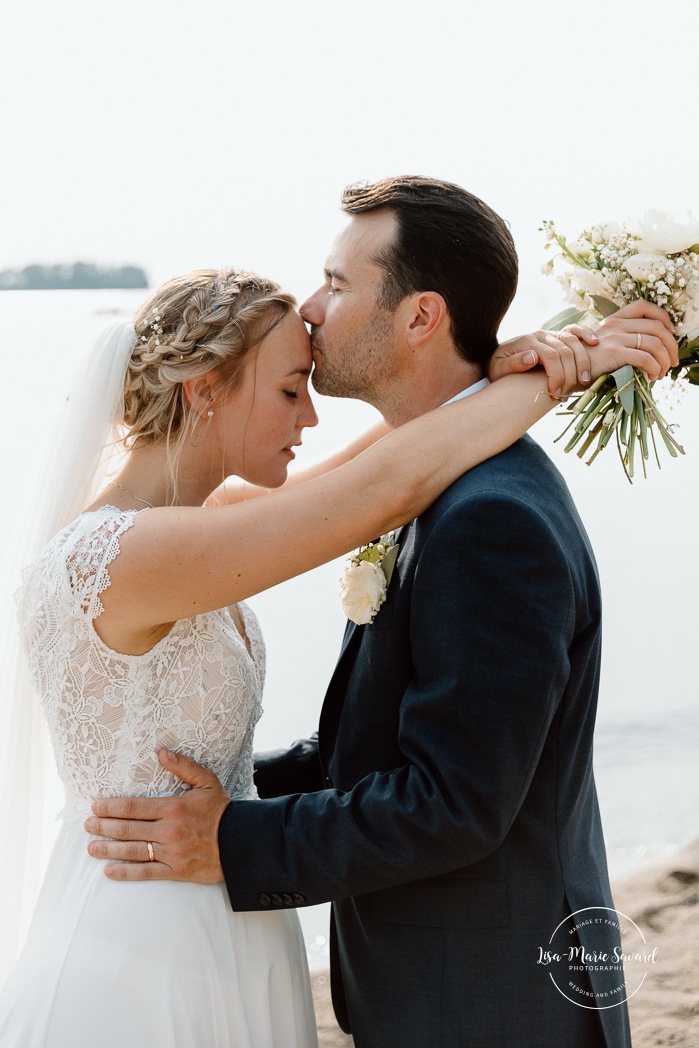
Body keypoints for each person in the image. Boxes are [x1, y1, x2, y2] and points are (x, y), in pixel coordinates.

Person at [80, 178, 679, 1048]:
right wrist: (207, 789)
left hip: (491, 1004)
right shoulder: (433, 485)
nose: (313, 308)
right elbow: (379, 742)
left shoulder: (490, 520)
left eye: (336, 281)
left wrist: (235, 842)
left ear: (419, 317)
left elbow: (454, 801)